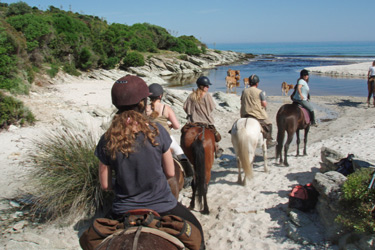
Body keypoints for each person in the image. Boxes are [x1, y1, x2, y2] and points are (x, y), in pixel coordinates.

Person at [94, 75, 204, 248]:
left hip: (123, 208)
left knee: (91, 239)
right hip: (162, 204)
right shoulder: (157, 130)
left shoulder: (107, 139)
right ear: (142, 104)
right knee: (198, 234)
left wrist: (124, 182)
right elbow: (169, 172)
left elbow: (106, 185)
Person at [146, 83, 195, 180]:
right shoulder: (165, 108)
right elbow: (177, 126)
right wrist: (171, 125)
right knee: (180, 153)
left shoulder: (144, 108)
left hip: (149, 138)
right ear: (160, 96)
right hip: (166, 138)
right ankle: (188, 177)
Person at [183, 76, 223, 158]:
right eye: (207, 86)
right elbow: (212, 107)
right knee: (215, 136)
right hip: (205, 122)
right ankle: (216, 148)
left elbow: (185, 107)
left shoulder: (191, 96)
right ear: (202, 86)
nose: (208, 87)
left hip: (192, 122)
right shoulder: (207, 96)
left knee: (183, 133)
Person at [239, 74, 276, 147]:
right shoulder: (260, 92)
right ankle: (269, 140)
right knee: (269, 124)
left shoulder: (244, 91)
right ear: (257, 83)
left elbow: (241, 101)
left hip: (245, 114)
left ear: (249, 82)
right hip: (257, 115)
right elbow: (264, 104)